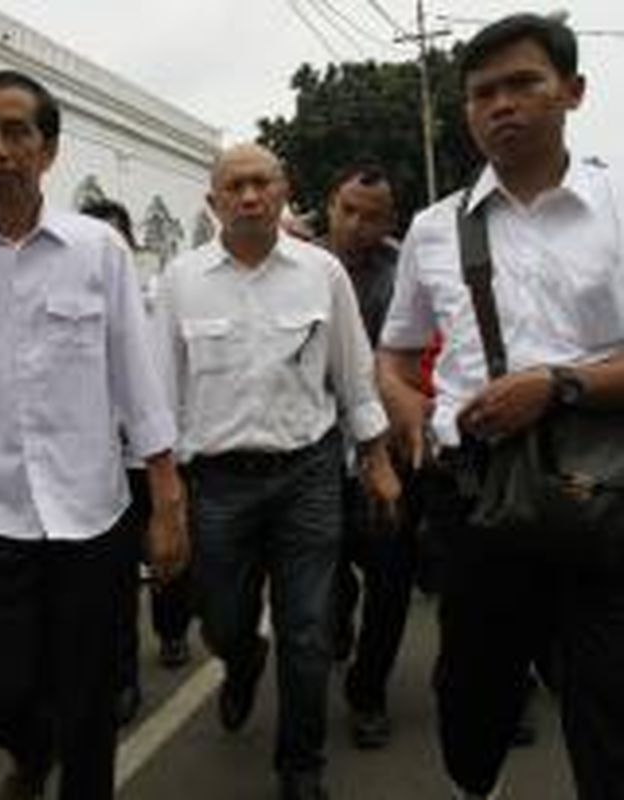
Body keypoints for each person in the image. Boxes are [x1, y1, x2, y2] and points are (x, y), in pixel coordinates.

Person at [0, 70, 188, 800]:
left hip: (90, 513)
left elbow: (139, 381)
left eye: (15, 132)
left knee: (89, 694)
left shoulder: (99, 251)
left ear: (47, 150)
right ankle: (32, 749)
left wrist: (167, 497)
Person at [378, 14, 624, 800]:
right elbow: (395, 350)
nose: (502, 105)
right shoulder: (433, 229)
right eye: (484, 92)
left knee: (610, 703)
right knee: (473, 695)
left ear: (573, 92)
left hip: (607, 492)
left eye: (524, 83)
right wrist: (405, 407)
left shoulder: (619, 205)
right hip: (477, 496)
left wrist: (558, 384)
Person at [158, 143, 399, 800]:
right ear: (213, 202)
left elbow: (354, 375)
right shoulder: (180, 282)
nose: (249, 196)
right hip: (217, 482)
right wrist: (166, 494)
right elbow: (160, 393)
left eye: (262, 182)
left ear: (284, 189)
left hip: (308, 473)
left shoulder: (322, 273)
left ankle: (301, 767)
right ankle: (240, 663)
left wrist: (376, 459)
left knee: (308, 625)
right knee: (225, 619)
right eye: (234, 186)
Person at [79, 198, 195, 729]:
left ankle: (172, 628)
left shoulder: (159, 301)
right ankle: (122, 676)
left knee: (168, 555)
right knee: (114, 576)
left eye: (115, 239)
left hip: (160, 454)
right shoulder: (71, 305)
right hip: (101, 462)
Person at [322, 164, 418, 750]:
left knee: (391, 578)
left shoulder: (407, 274)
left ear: (391, 222)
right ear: (330, 205)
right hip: (308, 458)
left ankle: (367, 693)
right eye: (348, 210)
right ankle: (336, 611)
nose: (357, 225)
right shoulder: (294, 262)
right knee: (325, 582)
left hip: (385, 453)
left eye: (373, 215)